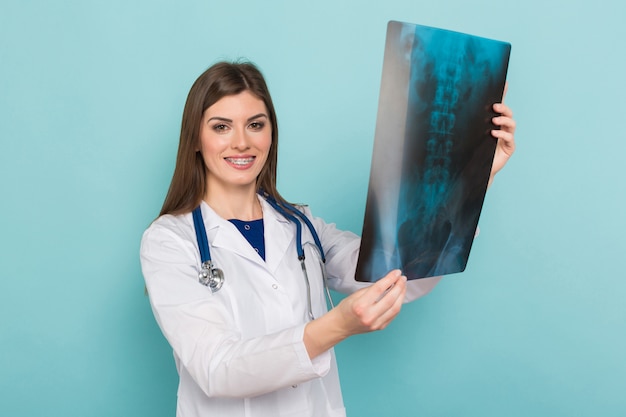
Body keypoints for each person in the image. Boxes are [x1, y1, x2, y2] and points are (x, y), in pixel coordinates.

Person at [140, 61, 516, 417]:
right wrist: (337, 326)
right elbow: (216, 367)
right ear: (195, 138)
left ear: (271, 134)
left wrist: (477, 177)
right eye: (221, 127)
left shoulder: (301, 226)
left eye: (255, 124)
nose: (241, 142)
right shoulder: (170, 242)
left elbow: (402, 271)